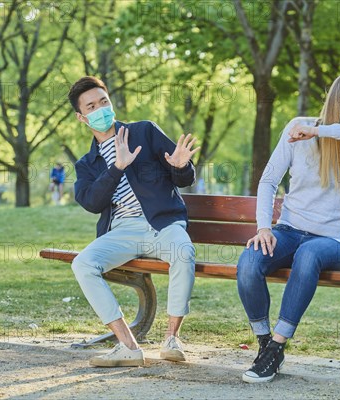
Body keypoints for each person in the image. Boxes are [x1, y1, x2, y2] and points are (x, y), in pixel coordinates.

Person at [236, 72, 340, 383]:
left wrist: (318, 131)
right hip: (288, 230)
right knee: (249, 262)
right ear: (336, 100)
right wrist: (263, 228)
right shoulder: (297, 128)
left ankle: (278, 344)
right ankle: (265, 343)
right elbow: (269, 180)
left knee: (309, 253)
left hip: (332, 242)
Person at [67, 76, 200, 367]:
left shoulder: (144, 132)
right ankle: (128, 345)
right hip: (123, 231)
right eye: (91, 106)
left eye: (104, 101)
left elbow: (184, 174)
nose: (100, 108)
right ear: (82, 117)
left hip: (163, 225)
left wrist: (180, 166)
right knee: (83, 263)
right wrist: (117, 167)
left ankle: (172, 339)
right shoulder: (87, 164)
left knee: (183, 252)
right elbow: (91, 202)